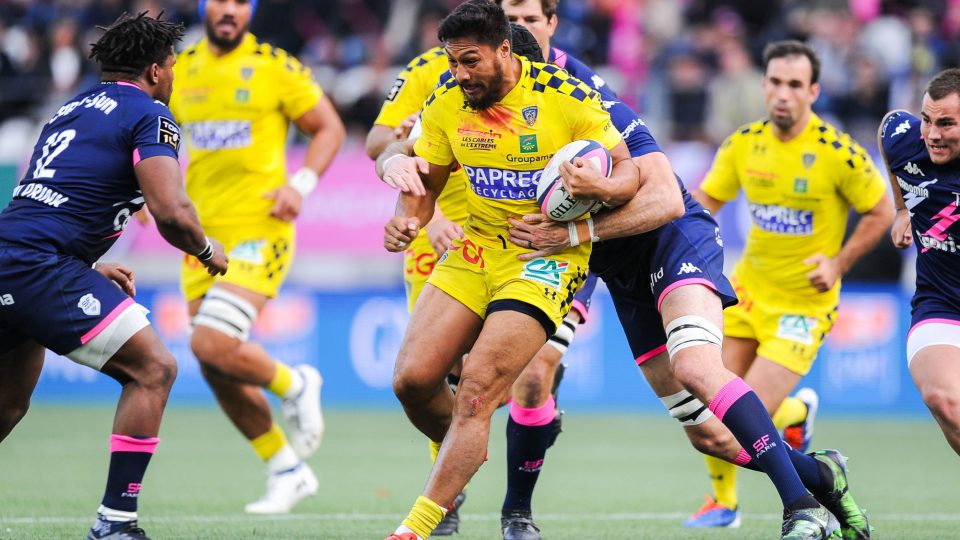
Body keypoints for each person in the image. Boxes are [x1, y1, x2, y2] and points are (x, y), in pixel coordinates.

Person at [505, 46, 873, 540]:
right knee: (709, 436)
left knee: (697, 367)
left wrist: (600, 195)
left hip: (672, 242)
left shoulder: (587, 100)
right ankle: (823, 477)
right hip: (617, 272)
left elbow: (661, 195)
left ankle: (800, 507)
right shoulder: (488, 134)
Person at [379, 2, 640, 539]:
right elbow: (426, 183)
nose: (460, 74)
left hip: (544, 258)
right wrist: (407, 220)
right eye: (452, 62)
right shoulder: (448, 100)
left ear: (504, 47)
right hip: (475, 249)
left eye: (469, 61)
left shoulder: (565, 96)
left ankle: (417, 525)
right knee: (412, 381)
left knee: (477, 389)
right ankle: (464, 453)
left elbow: (631, 171)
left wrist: (604, 188)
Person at [0, 12, 229, 540]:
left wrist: (86, 264)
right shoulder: (149, 114)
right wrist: (205, 248)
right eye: (171, 67)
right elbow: (170, 211)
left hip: (14, 254)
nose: (173, 77)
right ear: (154, 70)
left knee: (8, 402)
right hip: (41, 265)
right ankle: (116, 522)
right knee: (154, 369)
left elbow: (46, 200)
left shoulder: (67, 110)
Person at [685, 40, 893, 528]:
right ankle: (729, 498)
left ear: (814, 91)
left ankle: (804, 462)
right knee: (705, 410)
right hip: (748, 291)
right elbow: (703, 202)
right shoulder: (743, 143)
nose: (783, 94)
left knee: (734, 429)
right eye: (775, 82)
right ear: (763, 85)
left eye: (795, 85)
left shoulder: (836, 152)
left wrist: (839, 263)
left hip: (802, 305)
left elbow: (882, 210)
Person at [167, 0, 345, 514]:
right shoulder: (182, 69)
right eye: (220, 0)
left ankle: (296, 382)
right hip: (200, 238)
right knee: (215, 362)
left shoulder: (275, 67)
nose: (229, 10)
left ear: (251, 11)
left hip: (259, 231)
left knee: (210, 341)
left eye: (240, 2)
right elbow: (155, 139)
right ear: (205, 7)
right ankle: (286, 469)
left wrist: (301, 184)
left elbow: (328, 128)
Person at [879, 68, 960, 456]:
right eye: (927, 119)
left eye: (946, 124)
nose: (932, 134)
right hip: (940, 302)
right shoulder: (904, 140)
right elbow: (886, 126)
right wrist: (900, 208)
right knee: (944, 400)